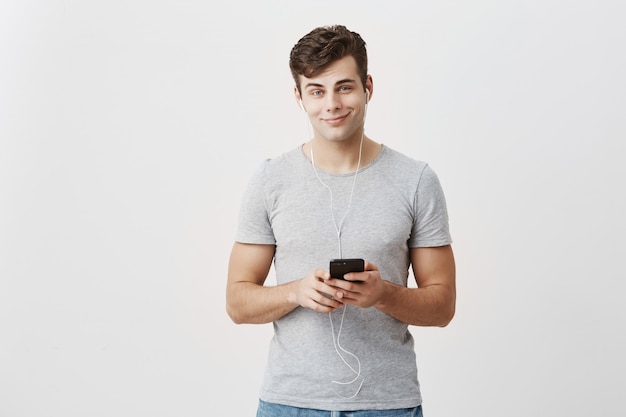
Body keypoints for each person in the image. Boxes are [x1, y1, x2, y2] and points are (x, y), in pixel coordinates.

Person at [226, 24, 456, 417]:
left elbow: (443, 305)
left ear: (368, 86)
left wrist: (383, 294)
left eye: (344, 87)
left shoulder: (416, 181)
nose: (331, 104)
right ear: (299, 96)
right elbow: (237, 301)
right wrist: (295, 292)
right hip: (289, 404)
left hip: (387, 405)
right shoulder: (270, 180)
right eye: (316, 90)